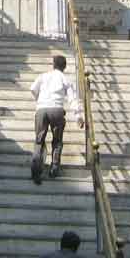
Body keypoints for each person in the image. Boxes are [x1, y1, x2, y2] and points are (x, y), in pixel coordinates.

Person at [30, 55, 84, 183]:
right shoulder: (65, 79)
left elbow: (32, 89)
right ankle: (54, 167)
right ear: (64, 67)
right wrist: (78, 116)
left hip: (41, 110)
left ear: (53, 65)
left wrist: (40, 101)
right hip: (57, 110)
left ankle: (36, 168)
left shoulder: (43, 76)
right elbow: (72, 99)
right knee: (57, 141)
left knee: (39, 141)